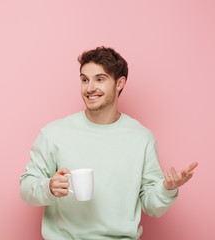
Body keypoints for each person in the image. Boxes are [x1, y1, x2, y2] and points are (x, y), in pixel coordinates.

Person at [19, 46, 198, 240]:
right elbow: (26, 188)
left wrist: (167, 189)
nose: (89, 88)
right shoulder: (53, 134)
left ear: (119, 83)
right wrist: (49, 187)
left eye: (100, 79)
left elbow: (151, 205)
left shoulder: (141, 138)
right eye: (84, 79)